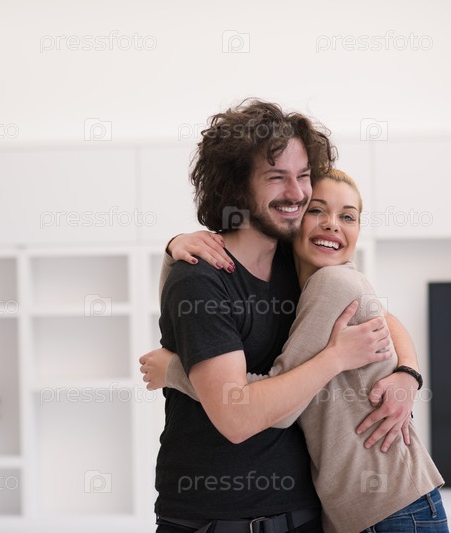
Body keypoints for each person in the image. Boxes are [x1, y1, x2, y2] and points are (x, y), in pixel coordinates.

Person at [144, 99, 418, 533]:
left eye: (303, 175)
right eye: (276, 177)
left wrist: (408, 374)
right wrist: (334, 358)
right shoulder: (200, 279)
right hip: (213, 521)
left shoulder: (301, 262)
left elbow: (375, 312)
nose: (296, 193)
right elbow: (236, 419)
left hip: (304, 515)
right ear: (236, 186)